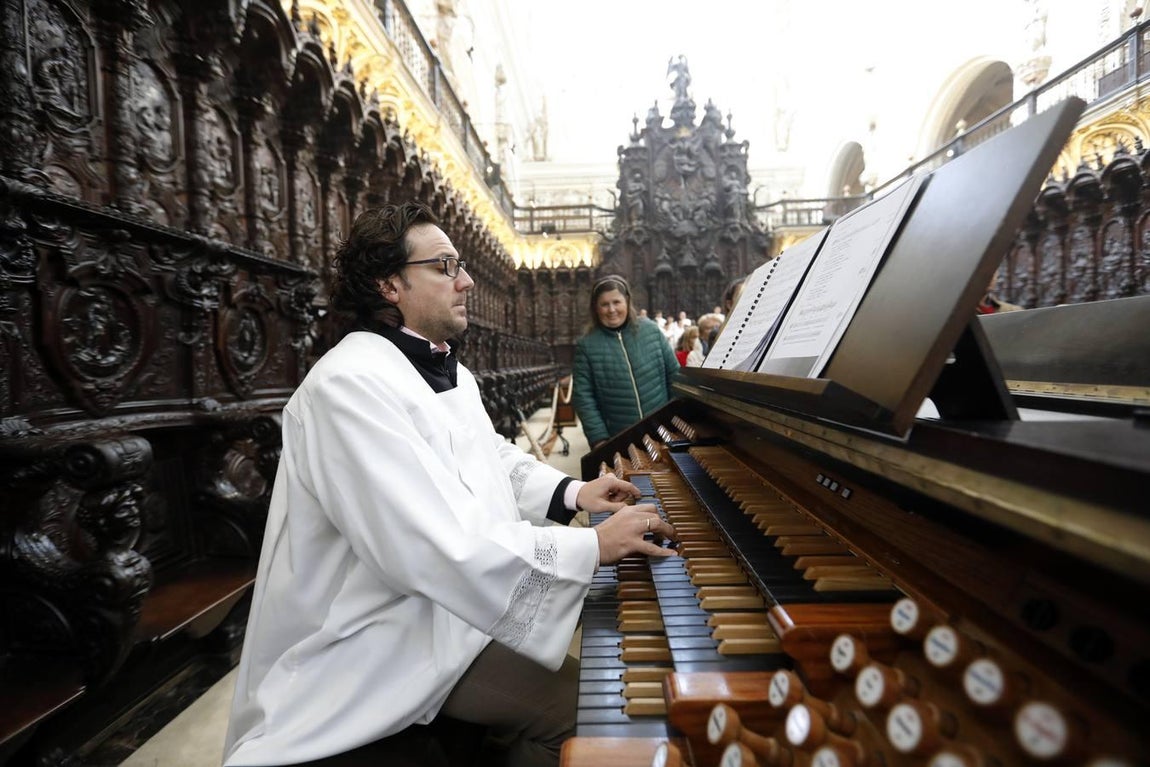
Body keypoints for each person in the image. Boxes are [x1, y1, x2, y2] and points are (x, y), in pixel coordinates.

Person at [222, 203, 678, 767]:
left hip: (442, 611)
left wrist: (572, 495)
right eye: (445, 267)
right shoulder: (347, 386)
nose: (465, 282)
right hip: (377, 635)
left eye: (460, 265)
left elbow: (485, 458)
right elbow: (427, 543)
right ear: (390, 283)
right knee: (597, 712)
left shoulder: (443, 369)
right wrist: (592, 546)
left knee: (614, 653)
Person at [572, 275, 680, 449]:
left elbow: (675, 376)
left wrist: (677, 420)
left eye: (616, 302)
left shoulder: (651, 330)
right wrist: (599, 438)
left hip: (663, 430)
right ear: (595, 308)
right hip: (619, 438)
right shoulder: (587, 345)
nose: (611, 309)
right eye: (604, 304)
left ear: (627, 301)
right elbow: (583, 397)